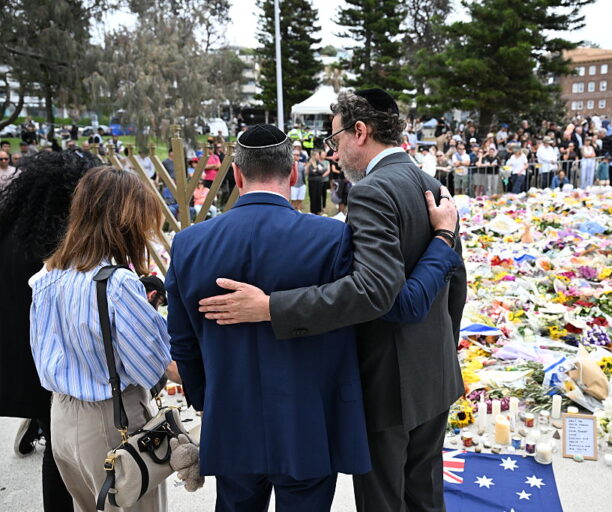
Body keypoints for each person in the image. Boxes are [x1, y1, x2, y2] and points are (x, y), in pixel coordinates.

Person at [166, 124, 462, 512]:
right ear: (293, 173)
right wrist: (442, 239)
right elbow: (370, 305)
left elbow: (183, 342)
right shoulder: (331, 238)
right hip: (308, 424)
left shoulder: (189, 243)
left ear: (237, 176)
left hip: (232, 419)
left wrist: (208, 400)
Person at [29, 165, 173, 512]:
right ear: (126, 223)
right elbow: (151, 366)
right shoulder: (117, 284)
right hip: (112, 419)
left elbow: (41, 352)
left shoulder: (47, 276)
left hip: (62, 418)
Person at [0, 150, 103, 512]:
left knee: (58, 452)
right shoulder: (53, 246)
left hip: (20, 361)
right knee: (64, 457)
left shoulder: (13, 231)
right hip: (50, 365)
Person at [307, 149, 328, 215]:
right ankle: (313, 211)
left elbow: (323, 170)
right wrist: (317, 171)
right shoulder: (310, 163)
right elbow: (310, 172)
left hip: (319, 182)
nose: (319, 156)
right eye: (317, 155)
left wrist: (316, 170)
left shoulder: (319, 163)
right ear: (313, 156)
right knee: (313, 196)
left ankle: (318, 210)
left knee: (319, 196)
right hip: (312, 182)